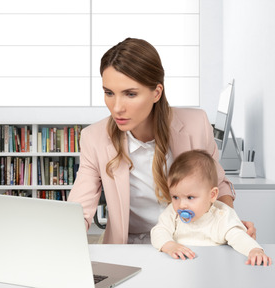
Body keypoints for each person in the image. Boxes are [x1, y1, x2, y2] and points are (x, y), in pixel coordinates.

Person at [68, 37, 255, 244]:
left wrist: (231, 226)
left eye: (130, 94)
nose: (117, 107)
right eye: (109, 93)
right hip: (128, 246)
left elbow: (218, 184)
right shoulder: (94, 138)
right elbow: (79, 211)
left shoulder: (196, 124)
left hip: (189, 240)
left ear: (156, 92)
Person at [151, 150, 271, 266]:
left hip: (213, 266)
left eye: (190, 197)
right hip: (179, 266)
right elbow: (159, 231)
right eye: (175, 197)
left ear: (212, 195)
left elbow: (238, 236)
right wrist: (169, 245)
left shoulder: (221, 215)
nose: (182, 205)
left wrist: (254, 250)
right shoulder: (173, 213)